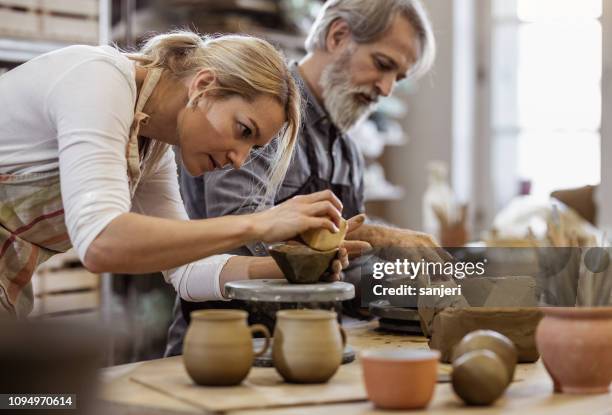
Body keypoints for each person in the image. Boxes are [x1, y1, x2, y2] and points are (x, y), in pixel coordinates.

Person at [0, 30, 350, 318]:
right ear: (204, 86)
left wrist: (294, 267)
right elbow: (101, 242)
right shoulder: (99, 81)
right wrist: (260, 223)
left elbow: (185, 272)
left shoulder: (151, 146)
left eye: (253, 147)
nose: (241, 160)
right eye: (244, 130)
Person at [166, 0, 445, 356]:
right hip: (223, 348)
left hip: (308, 351)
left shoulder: (347, 152)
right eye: (383, 64)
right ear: (338, 35)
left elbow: (341, 270)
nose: (387, 88)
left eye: (398, 78)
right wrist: (378, 235)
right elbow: (239, 232)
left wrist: (407, 285)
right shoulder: (261, 115)